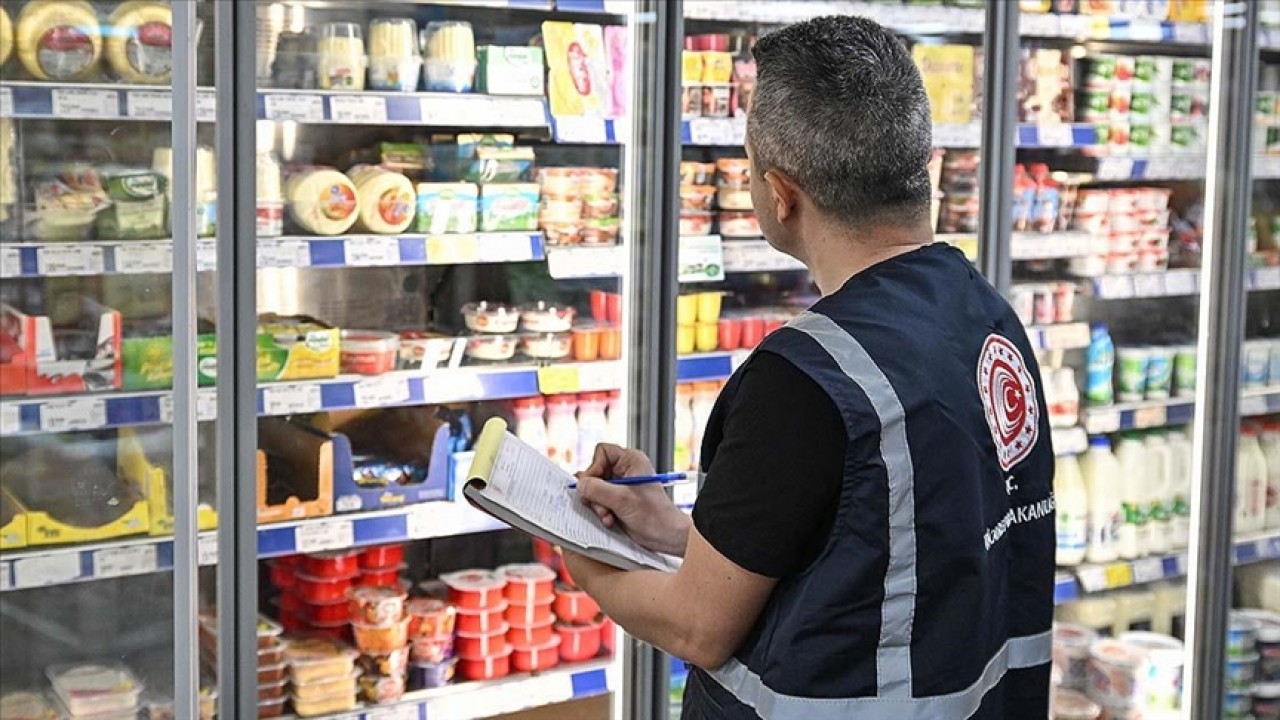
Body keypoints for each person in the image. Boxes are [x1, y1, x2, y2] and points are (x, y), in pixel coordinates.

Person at [564, 15, 1057, 720]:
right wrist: (677, 532)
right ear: (927, 168)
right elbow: (893, 537)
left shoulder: (807, 377)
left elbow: (695, 626)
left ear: (781, 194)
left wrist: (581, 553)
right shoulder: (986, 319)